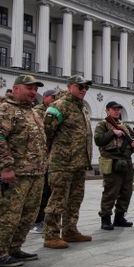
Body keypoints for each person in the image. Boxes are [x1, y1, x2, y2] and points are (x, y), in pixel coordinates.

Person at [0, 75, 48, 267]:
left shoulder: (32, 112)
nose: (33, 92)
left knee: (28, 214)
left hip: (34, 173)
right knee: (8, 214)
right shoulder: (2, 110)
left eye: (35, 89)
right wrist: (5, 167)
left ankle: (14, 247)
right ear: (16, 88)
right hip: (13, 174)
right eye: (29, 88)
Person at [43, 75, 94, 249]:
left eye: (86, 88)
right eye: (81, 87)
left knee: (75, 199)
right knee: (58, 200)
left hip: (79, 163)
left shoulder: (82, 108)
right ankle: (51, 235)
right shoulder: (59, 106)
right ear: (70, 86)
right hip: (62, 163)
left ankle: (70, 230)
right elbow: (47, 132)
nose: (84, 90)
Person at [94, 101, 134, 230]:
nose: (117, 111)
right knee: (110, 192)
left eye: (118, 109)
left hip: (126, 161)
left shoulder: (124, 125)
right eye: (114, 109)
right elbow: (99, 140)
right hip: (112, 161)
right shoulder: (102, 125)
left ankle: (120, 217)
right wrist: (112, 133)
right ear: (107, 110)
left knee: (126, 191)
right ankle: (106, 219)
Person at [30, 89, 57, 234]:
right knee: (42, 191)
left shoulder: (54, 111)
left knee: (49, 189)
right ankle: (37, 220)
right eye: (53, 97)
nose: (54, 100)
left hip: (51, 157)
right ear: (45, 97)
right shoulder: (38, 111)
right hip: (40, 157)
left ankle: (43, 219)